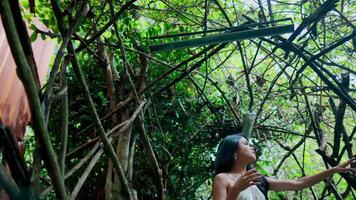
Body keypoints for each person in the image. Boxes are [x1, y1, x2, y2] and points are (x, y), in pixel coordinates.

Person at [212, 133, 356, 200]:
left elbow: (298, 183)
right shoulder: (222, 179)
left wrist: (333, 170)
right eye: (245, 144)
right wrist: (236, 189)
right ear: (233, 152)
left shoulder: (259, 179)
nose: (252, 147)